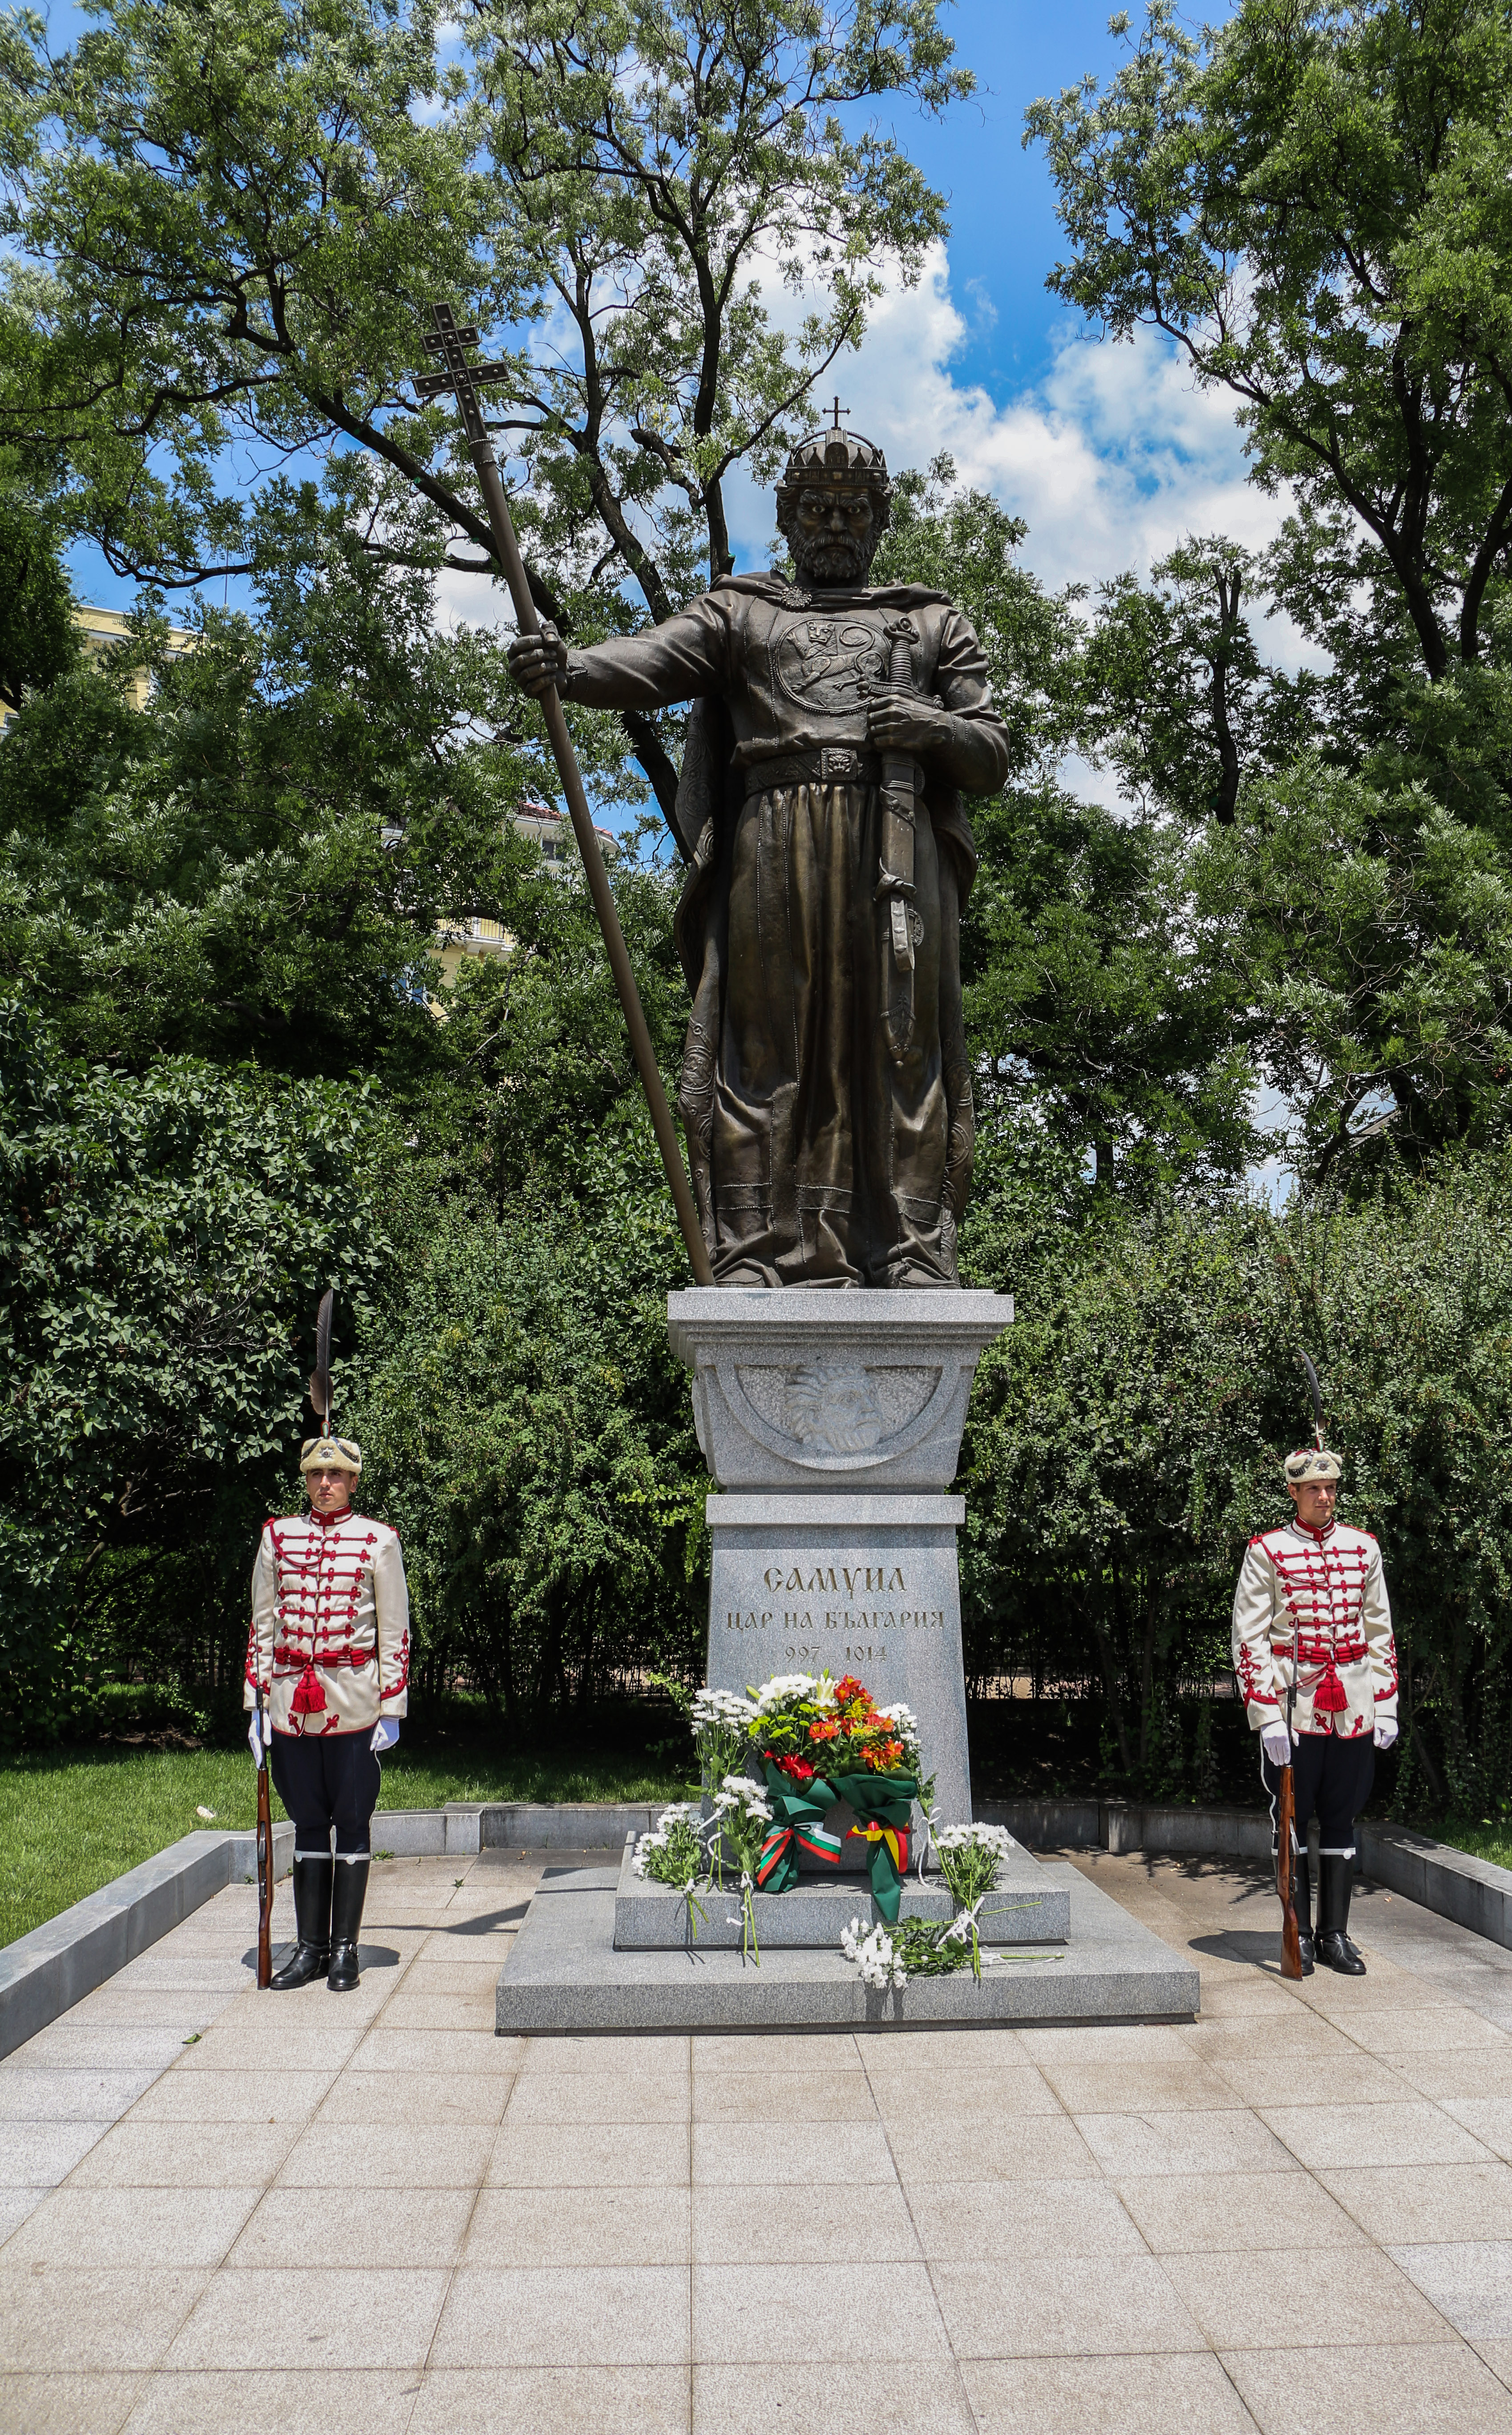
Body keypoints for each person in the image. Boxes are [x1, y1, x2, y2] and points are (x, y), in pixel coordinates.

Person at [508, 420, 1011, 1291]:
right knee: (765, 1045)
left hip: (893, 840)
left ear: (880, 521)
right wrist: (571, 664)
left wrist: (929, 728)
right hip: (774, 839)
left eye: (853, 512)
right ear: (786, 516)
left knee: (898, 1046)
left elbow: (992, 755)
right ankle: (754, 1250)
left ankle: (911, 1248)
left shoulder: (929, 620)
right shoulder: (744, 612)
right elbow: (653, 661)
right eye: (816, 510)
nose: (834, 528)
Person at [244, 1435, 409, 1991]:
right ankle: (310, 1949)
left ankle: (345, 1950)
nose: (325, 1484)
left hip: (356, 1701)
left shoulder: (379, 1541)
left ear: (354, 1482)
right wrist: (256, 1705)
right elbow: (262, 1626)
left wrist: (393, 1708)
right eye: (316, 1475)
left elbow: (395, 1631)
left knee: (353, 1823)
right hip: (291, 1704)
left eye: (337, 1475)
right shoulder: (277, 1537)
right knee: (308, 1823)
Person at [1231, 1447, 1398, 1975]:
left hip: (1353, 1706)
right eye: (1313, 1490)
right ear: (1294, 1493)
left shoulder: (1363, 1548)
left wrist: (1387, 1704)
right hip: (1293, 1709)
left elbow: (1380, 1632)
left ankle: (1336, 1936)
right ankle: (1299, 1932)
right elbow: (1249, 1639)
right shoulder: (1268, 1552)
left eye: (1330, 1489)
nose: (1324, 1497)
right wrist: (1267, 1715)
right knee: (1295, 1824)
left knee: (1343, 1821)